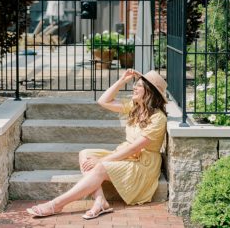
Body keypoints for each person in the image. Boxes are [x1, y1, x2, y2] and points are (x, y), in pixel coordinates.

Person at [26, 69, 168, 219]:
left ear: (150, 92)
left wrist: (101, 161)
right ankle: (100, 201)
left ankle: (56, 205)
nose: (134, 87)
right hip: (128, 156)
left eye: (138, 85)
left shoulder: (158, 118)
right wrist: (121, 81)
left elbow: (134, 148)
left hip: (143, 165)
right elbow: (103, 101)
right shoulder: (136, 108)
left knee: (99, 166)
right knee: (85, 154)